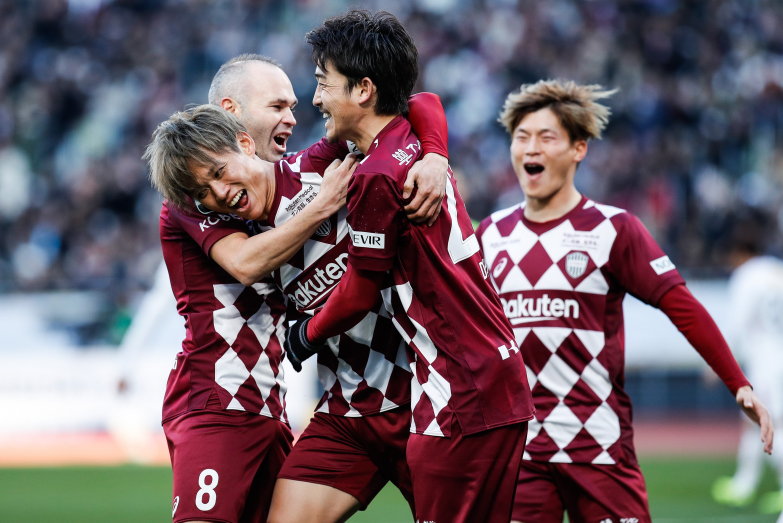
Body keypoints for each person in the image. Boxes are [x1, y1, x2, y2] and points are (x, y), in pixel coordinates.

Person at [145, 53, 448, 522]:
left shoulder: (309, 172)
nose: (293, 116)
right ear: (233, 116)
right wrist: (322, 206)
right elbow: (246, 263)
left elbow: (413, 105)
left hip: (278, 403)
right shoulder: (189, 190)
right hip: (218, 398)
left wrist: (434, 156)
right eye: (276, 106)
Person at [475, 78, 774, 523]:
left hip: (596, 443)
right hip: (522, 452)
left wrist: (738, 383)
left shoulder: (612, 229)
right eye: (521, 138)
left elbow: (682, 306)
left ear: (579, 149)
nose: (530, 148)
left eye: (546, 137)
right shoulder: (491, 235)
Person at [283, 10, 534, 523]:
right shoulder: (411, 142)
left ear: (364, 90)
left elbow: (358, 291)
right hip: (489, 374)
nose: (314, 99)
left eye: (322, 83)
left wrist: (304, 336)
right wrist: (438, 154)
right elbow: (426, 100)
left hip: (460, 387)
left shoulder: (375, 174)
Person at [712, 212, 783, 521]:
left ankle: (751, 484)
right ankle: (745, 482)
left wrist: (718, 365)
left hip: (765, 362)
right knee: (763, 424)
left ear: (736, 253)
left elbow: (737, 326)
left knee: (766, 425)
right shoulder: (776, 270)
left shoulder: (746, 276)